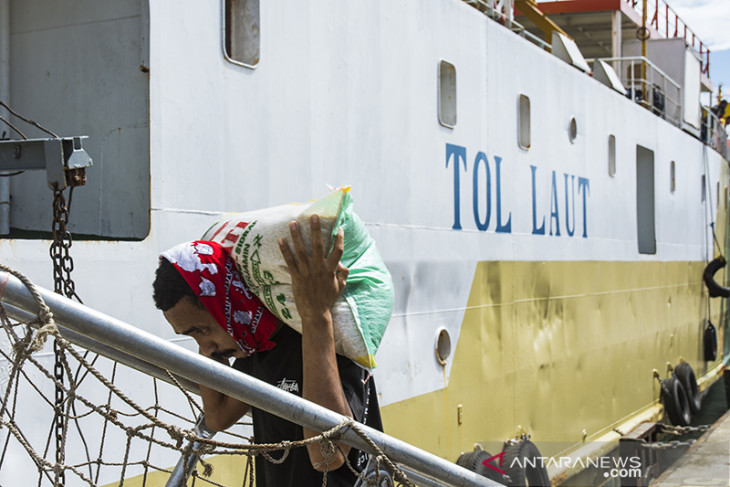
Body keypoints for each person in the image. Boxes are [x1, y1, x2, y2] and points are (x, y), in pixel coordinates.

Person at [152, 215, 382, 486]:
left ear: (229, 306)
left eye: (201, 330)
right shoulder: (258, 349)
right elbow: (218, 416)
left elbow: (327, 455)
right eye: (190, 336)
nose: (205, 347)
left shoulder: (322, 341)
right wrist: (210, 345)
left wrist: (316, 315)